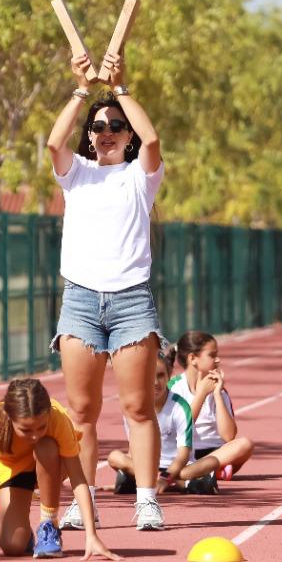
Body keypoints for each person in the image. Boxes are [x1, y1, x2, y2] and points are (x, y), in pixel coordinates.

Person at [45, 45, 167, 531]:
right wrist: (80, 90)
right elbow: (53, 145)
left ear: (127, 134)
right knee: (82, 410)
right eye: (98, 127)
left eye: (116, 126)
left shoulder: (140, 177)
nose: (107, 133)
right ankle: (83, 498)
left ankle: (146, 498)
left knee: (138, 406)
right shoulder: (76, 173)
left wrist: (120, 89)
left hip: (131, 300)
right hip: (79, 300)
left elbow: (154, 138)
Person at [0, 377, 117, 561]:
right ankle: (24, 533)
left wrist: (91, 535)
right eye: (26, 430)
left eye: (41, 427)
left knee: (45, 446)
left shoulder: (57, 419)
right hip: (15, 470)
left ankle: (48, 525)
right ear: (10, 418)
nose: (35, 435)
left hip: (51, 464)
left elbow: (78, 478)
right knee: (12, 546)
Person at [109, 350, 216, 494]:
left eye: (160, 376)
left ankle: (141, 481)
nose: (155, 382)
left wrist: (165, 478)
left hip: (179, 468)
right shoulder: (133, 407)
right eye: (149, 376)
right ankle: (185, 485)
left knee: (212, 462)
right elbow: (133, 448)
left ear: (168, 376)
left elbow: (183, 454)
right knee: (114, 457)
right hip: (146, 466)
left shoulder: (181, 407)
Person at [170, 330, 256, 482]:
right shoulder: (174, 388)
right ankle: (202, 472)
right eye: (212, 355)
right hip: (184, 452)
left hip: (217, 453)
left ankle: (196, 472)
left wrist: (217, 394)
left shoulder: (220, 390)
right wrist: (201, 394)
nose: (217, 360)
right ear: (193, 358)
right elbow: (179, 429)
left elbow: (228, 436)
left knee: (245, 444)